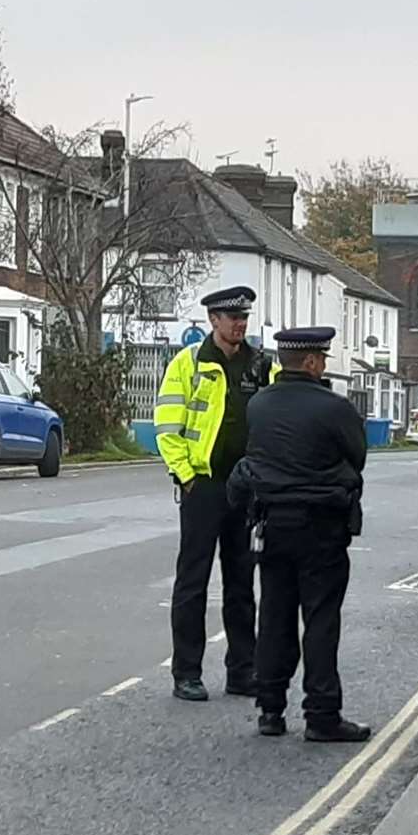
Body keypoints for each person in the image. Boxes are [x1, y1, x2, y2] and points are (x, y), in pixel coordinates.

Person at [233, 327, 371, 742]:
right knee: (321, 620)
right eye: (323, 358)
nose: (324, 364)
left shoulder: (259, 404)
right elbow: (357, 457)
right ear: (311, 362)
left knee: (274, 615)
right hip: (321, 528)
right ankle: (322, 714)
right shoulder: (335, 408)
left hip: (271, 525)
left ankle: (270, 709)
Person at [154, 286, 274, 702]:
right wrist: (187, 476)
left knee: (242, 581)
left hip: (246, 489)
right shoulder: (188, 364)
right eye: (232, 317)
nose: (240, 324)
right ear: (213, 321)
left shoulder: (261, 365)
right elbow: (168, 428)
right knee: (193, 581)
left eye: (244, 317)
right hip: (203, 486)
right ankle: (186, 672)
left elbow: (273, 422)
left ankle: (242, 671)